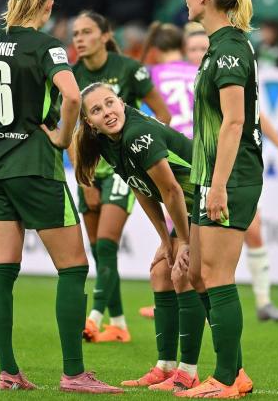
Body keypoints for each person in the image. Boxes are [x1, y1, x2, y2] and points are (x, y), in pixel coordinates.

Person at [0, 0, 121, 394]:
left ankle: (9, 371)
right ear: (48, 5)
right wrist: (60, 135)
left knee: (3, 269)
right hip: (35, 166)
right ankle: (74, 374)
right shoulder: (47, 47)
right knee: (74, 267)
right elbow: (73, 96)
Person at [139, 21, 278, 323]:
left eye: (202, 48)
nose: (199, 52)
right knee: (185, 250)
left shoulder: (218, 73)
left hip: (225, 166)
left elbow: (250, 115)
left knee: (247, 232)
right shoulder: (192, 78)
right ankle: (177, 304)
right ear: (185, 52)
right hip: (188, 167)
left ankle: (262, 302)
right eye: (193, 49)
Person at [73, 83, 203, 392]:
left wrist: (182, 241)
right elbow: (141, 188)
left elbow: (171, 190)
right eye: (96, 110)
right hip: (188, 205)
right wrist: (164, 240)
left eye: (109, 103)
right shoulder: (108, 142)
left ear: (121, 100)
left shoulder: (136, 135)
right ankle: (166, 367)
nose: (107, 112)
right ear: (89, 123)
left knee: (183, 274)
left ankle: (188, 372)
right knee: (160, 273)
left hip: (208, 198)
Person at [175, 0, 261, 398]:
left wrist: (220, 184)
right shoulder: (216, 48)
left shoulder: (230, 49)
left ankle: (227, 378)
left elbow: (234, 122)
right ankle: (235, 371)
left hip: (231, 176)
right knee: (197, 277)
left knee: (216, 273)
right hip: (209, 175)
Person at [69, 10, 161, 343]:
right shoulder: (71, 76)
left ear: (106, 35)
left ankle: (94, 318)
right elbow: (70, 133)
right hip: (89, 171)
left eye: (86, 31)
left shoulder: (130, 70)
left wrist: (140, 142)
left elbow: (161, 114)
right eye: (75, 33)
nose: (78, 38)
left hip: (123, 168)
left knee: (107, 244)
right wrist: (83, 179)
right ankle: (119, 324)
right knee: (100, 252)